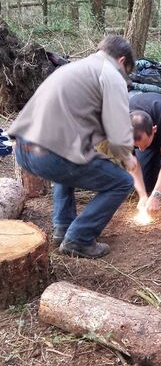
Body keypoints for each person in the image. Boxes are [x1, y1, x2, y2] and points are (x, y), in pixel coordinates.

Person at [9, 35, 139, 259]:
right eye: (126, 72)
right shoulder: (111, 74)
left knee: (70, 160)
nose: (124, 78)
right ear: (121, 61)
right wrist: (127, 158)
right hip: (49, 155)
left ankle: (63, 228)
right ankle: (79, 239)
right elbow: (119, 137)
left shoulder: (73, 68)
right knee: (122, 182)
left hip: (23, 148)